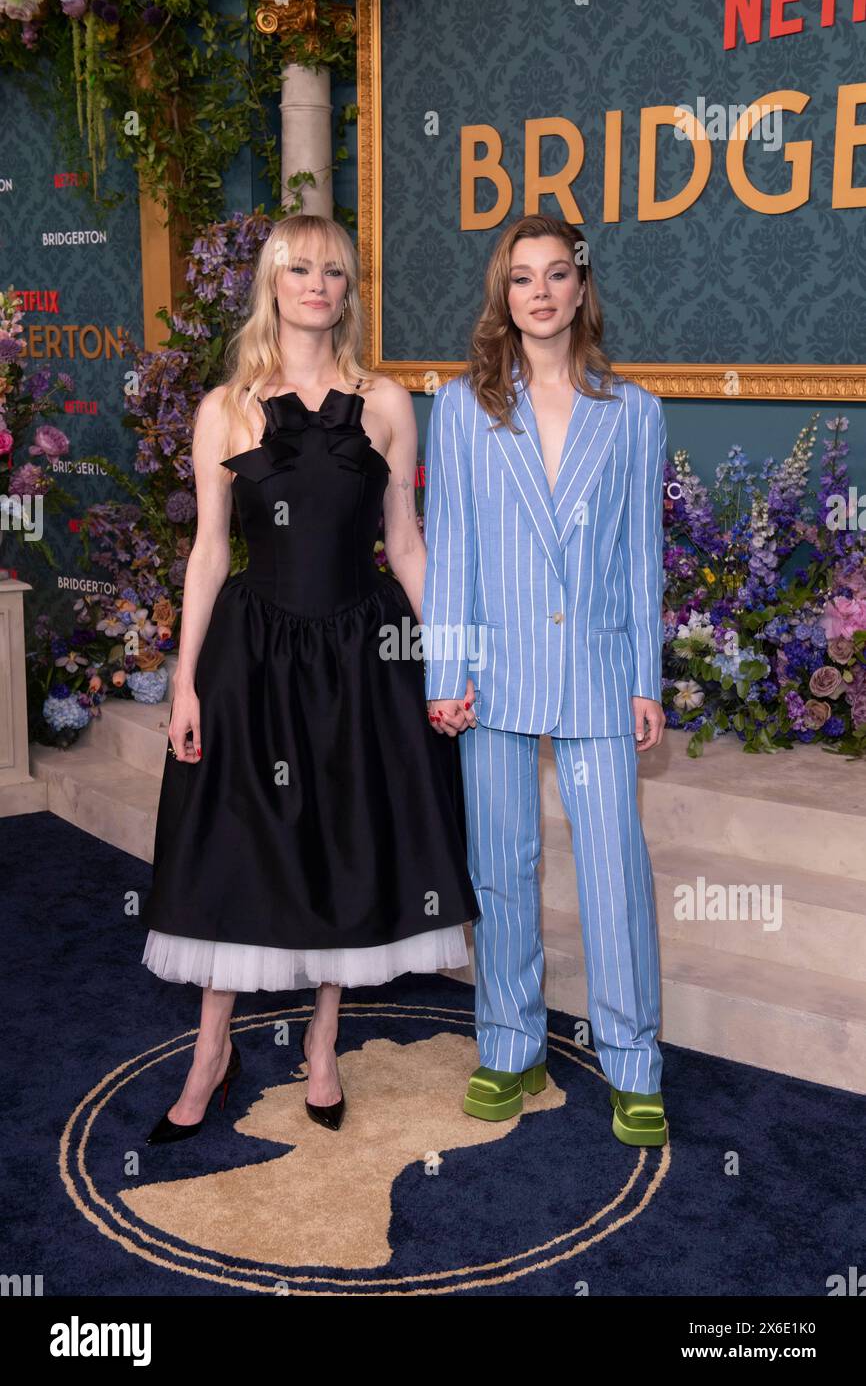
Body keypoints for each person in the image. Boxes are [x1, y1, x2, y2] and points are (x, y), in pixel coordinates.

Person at [139, 213, 478, 1141]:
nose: (317, 283)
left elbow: (407, 547)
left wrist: (449, 655)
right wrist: (185, 682)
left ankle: (322, 1047)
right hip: (250, 655)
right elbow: (209, 555)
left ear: (348, 288)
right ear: (272, 284)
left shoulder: (390, 401)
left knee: (339, 839)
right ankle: (213, 1047)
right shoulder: (227, 407)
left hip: (361, 656)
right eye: (299, 268)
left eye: (333, 269)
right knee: (237, 844)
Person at [422, 213, 669, 1146]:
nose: (540, 291)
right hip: (493, 671)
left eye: (556, 274)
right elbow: (449, 556)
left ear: (580, 287)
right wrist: (445, 668)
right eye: (522, 277)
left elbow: (642, 555)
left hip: (602, 669)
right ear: (504, 293)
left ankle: (634, 1062)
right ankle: (507, 1045)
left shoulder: (634, 410)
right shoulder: (462, 406)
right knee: (502, 866)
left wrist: (645, 675)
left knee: (614, 870)